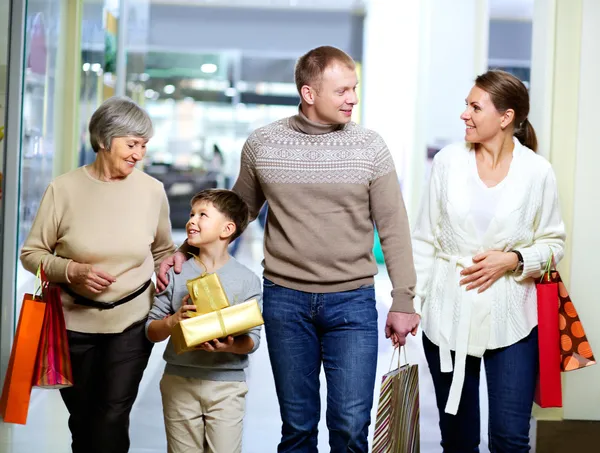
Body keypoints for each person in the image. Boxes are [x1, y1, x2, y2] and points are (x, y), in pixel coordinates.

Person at [158, 46, 419, 452]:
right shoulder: (263, 143)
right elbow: (234, 214)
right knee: (297, 426)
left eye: (355, 89)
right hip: (285, 300)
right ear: (309, 93)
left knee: (351, 426)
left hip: (352, 301)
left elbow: (394, 227)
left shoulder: (370, 147)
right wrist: (186, 249)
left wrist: (403, 298)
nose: (352, 98)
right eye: (342, 90)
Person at [412, 70, 566, 452]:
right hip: (449, 316)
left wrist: (513, 259)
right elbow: (424, 238)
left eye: (474, 107)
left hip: (513, 318)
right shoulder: (447, 162)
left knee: (510, 439)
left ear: (505, 117)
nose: (464, 114)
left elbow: (553, 243)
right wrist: (412, 305)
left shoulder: (537, 172)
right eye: (466, 105)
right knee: (459, 441)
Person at [20, 96, 175, 453]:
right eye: (132, 144)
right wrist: (70, 270)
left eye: (144, 146)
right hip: (72, 324)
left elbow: (163, 250)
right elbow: (32, 254)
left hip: (132, 321)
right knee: (84, 418)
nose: (139, 154)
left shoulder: (152, 191)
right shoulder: (64, 189)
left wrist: (173, 274)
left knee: (112, 415)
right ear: (105, 140)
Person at [146, 189, 262, 453]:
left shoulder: (247, 280)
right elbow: (151, 331)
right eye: (191, 214)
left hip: (227, 387)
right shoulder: (175, 273)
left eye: (202, 215)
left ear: (227, 229)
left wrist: (229, 345)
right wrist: (173, 321)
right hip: (179, 381)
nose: (192, 220)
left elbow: (252, 340)